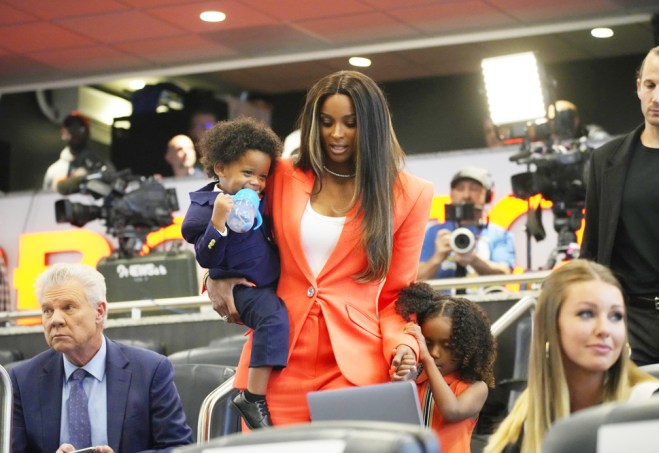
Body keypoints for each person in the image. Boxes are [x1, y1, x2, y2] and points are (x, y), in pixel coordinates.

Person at [205, 70, 434, 425]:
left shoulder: (411, 193)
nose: (336, 134)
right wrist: (213, 276)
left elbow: (396, 296)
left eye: (350, 123)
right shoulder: (278, 174)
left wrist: (404, 345)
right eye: (326, 122)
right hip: (276, 362)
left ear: (371, 125)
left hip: (354, 366)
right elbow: (218, 209)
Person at [483, 260, 659, 453]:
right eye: (586, 314)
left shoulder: (648, 404)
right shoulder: (529, 411)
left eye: (615, 316)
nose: (604, 329)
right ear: (551, 326)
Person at [9, 263, 192, 453]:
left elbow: (179, 448)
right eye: (47, 310)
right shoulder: (22, 380)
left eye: (68, 307)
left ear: (99, 312)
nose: (55, 320)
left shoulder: (150, 370)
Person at [181, 117, 289, 429]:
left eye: (263, 176)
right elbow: (204, 254)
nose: (256, 182)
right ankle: (252, 397)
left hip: (271, 281)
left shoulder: (263, 197)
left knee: (279, 317)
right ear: (220, 169)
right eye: (247, 173)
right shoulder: (204, 208)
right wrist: (218, 223)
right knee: (274, 318)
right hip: (244, 288)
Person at [581, 44, 659, 366]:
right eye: (650, 85)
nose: (657, 97)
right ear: (638, 87)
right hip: (627, 319)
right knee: (629, 415)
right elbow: (593, 247)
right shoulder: (605, 159)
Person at [396, 282, 496, 453]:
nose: (435, 352)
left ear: (467, 347)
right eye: (428, 343)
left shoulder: (475, 388)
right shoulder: (415, 379)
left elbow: (452, 411)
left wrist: (426, 358)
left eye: (448, 345)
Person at [417, 166, 515, 282]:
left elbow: (506, 275)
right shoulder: (434, 233)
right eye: (460, 189)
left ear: (487, 196)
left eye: (474, 189)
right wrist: (437, 258)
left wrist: (474, 260)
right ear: (451, 194)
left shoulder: (500, 234)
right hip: (441, 299)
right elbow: (415, 278)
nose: (466, 195)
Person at [43, 112, 110, 191]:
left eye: (79, 128)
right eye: (70, 128)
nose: (74, 132)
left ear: (87, 132)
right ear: (63, 133)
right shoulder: (53, 171)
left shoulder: (102, 167)